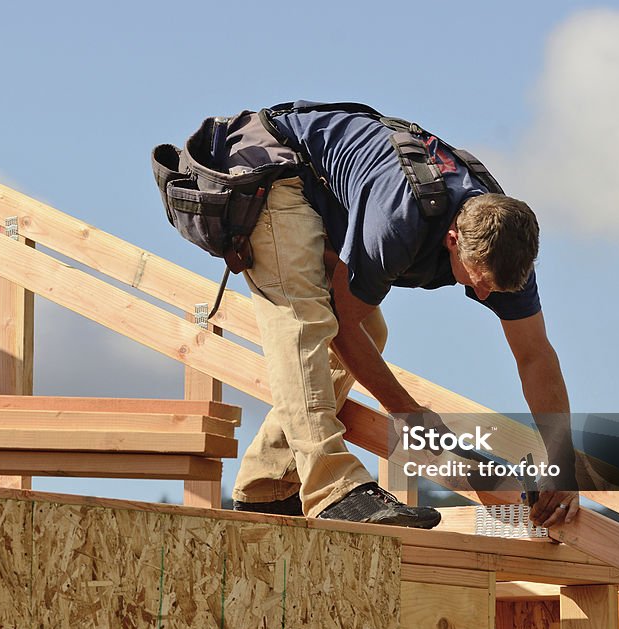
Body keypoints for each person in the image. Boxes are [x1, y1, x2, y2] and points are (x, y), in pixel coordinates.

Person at [217, 102, 579, 529]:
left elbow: (535, 356)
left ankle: (267, 488)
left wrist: (562, 465)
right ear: (451, 240)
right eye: (478, 280)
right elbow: (339, 326)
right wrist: (410, 414)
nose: (483, 295)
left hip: (330, 195)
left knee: (373, 329)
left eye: (493, 289)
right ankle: (334, 491)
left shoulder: (505, 252)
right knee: (306, 322)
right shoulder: (400, 220)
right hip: (273, 167)